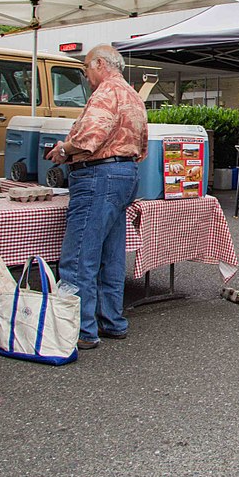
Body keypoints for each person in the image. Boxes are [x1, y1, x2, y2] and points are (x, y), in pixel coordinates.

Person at [46, 44, 147, 350]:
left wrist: (64, 150)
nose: (86, 75)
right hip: (125, 174)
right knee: (111, 255)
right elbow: (142, 144)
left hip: (98, 176)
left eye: (87, 68)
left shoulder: (105, 92)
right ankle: (112, 320)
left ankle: (81, 329)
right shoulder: (132, 95)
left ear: (100, 64)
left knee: (79, 256)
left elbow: (90, 137)